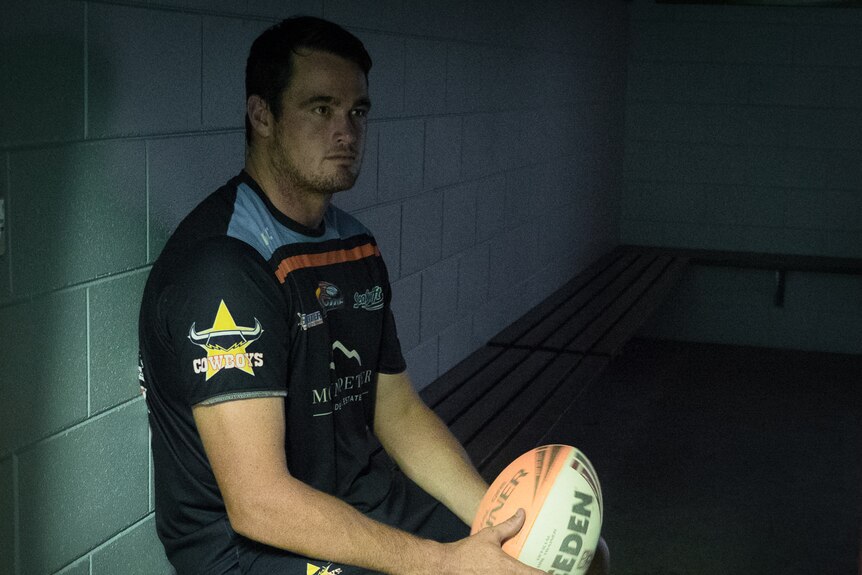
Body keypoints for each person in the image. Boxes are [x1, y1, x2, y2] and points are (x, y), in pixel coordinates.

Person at [139, 16, 608, 575]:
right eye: (320, 108)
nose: (346, 132)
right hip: (255, 551)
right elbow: (259, 504)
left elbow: (399, 412)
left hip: (360, 500)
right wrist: (440, 564)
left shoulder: (353, 244)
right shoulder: (225, 265)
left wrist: (500, 523)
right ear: (261, 114)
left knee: (575, 562)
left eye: (356, 112)